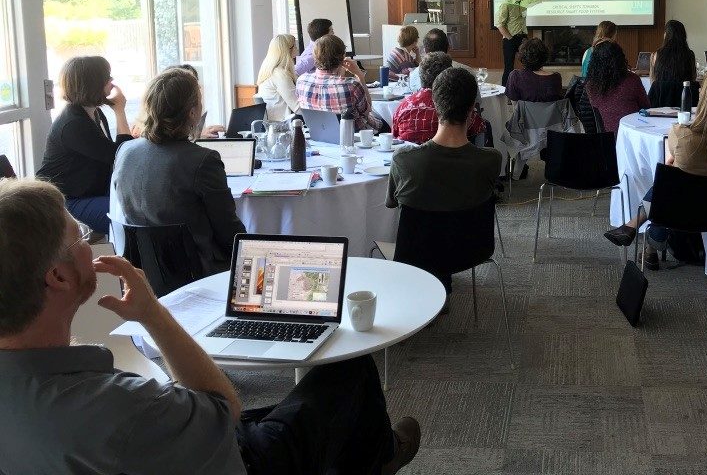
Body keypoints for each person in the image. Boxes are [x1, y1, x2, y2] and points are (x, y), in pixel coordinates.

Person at [0, 178, 420, 475]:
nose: (89, 244)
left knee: (295, 410)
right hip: (238, 460)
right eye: (81, 237)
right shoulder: (123, 407)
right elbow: (224, 413)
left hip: (173, 448)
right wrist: (153, 314)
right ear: (58, 277)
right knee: (349, 371)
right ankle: (382, 455)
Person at [604, 67, 707, 269]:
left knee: (668, 183)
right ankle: (642, 235)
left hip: (679, 212)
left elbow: (669, 177)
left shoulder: (681, 134)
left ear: (705, 97)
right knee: (671, 181)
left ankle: (646, 240)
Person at [111, 68, 246, 275]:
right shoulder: (202, 160)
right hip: (197, 271)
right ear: (192, 112)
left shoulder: (125, 150)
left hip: (141, 271)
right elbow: (229, 231)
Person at [386, 66, 502, 228]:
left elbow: (391, 203)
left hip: (416, 251)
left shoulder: (403, 159)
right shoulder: (492, 160)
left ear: (435, 104)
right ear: (471, 110)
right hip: (473, 251)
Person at [37, 56, 132, 235]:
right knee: (127, 215)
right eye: (107, 77)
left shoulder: (92, 113)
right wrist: (120, 111)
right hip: (66, 199)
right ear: (93, 84)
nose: (112, 81)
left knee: (142, 203)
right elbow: (121, 157)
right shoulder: (73, 124)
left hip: (88, 191)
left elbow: (119, 154)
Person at [296, 34, 387, 133]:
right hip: (354, 135)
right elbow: (366, 110)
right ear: (343, 56)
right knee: (388, 124)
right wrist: (359, 75)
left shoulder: (301, 81)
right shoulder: (351, 85)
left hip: (320, 135)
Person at [392, 52, 485, 144]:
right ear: (448, 76)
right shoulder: (455, 105)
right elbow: (478, 128)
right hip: (452, 157)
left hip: (409, 158)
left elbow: (394, 138)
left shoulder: (403, 107)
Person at [496, 0, 569, 86]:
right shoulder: (506, 4)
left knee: (531, 64)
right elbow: (500, 24)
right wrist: (510, 39)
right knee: (509, 67)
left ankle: (529, 88)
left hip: (523, 38)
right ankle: (506, 92)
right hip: (509, 39)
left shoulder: (525, 0)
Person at [584, 41, 650, 136]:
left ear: (594, 62)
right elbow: (646, 107)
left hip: (606, 139)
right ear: (620, 59)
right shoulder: (632, 79)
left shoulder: (591, 85)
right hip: (633, 135)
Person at [407, 28, 473, 92]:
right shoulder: (468, 72)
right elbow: (477, 102)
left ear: (424, 50)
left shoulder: (413, 75)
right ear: (448, 47)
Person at [256, 34, 299, 121]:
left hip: (275, 124)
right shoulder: (280, 75)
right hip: (282, 125)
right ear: (288, 50)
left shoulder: (270, 70)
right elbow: (297, 107)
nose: (297, 49)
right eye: (295, 46)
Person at [506, 38, 563, 103]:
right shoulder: (556, 77)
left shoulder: (515, 76)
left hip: (525, 113)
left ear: (522, 57)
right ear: (545, 57)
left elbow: (515, 106)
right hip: (551, 113)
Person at [649, 19, 697, 85]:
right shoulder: (690, 55)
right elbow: (693, 78)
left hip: (661, 94)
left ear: (666, 35)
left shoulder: (656, 55)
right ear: (683, 36)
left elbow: (653, 81)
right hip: (684, 94)